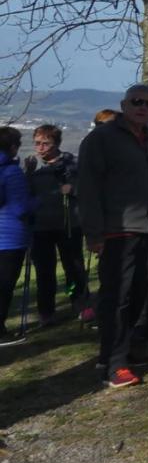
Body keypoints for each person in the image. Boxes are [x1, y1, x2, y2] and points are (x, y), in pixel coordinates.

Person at [78, 84, 148, 387]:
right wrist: (94, 232)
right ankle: (113, 364)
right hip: (117, 231)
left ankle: (119, 352)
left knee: (139, 295)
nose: (143, 108)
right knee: (117, 299)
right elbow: (88, 187)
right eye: (137, 102)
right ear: (124, 104)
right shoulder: (102, 139)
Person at [23, 125, 90, 324]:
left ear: (57, 143)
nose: (41, 148)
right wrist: (27, 175)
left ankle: (79, 303)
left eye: (46, 143)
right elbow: (26, 195)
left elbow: (88, 188)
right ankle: (46, 311)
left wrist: (73, 189)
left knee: (73, 269)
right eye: (37, 143)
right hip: (41, 227)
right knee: (45, 272)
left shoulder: (71, 164)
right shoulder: (34, 167)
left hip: (68, 225)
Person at [0, 127, 33, 346]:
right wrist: (39, 200)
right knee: (4, 286)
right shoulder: (12, 172)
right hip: (10, 237)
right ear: (13, 147)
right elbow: (21, 208)